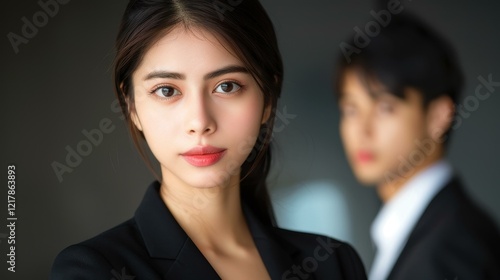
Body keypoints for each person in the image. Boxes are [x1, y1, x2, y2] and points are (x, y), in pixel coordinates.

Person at [50, 0, 367, 279]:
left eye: (227, 86)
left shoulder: (333, 264)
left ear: (268, 99)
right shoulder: (94, 270)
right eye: (167, 91)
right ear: (131, 105)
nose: (200, 122)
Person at [335, 13, 500, 280]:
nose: (362, 130)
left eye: (385, 108)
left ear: (438, 116)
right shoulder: (420, 228)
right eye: (350, 109)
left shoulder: (455, 246)